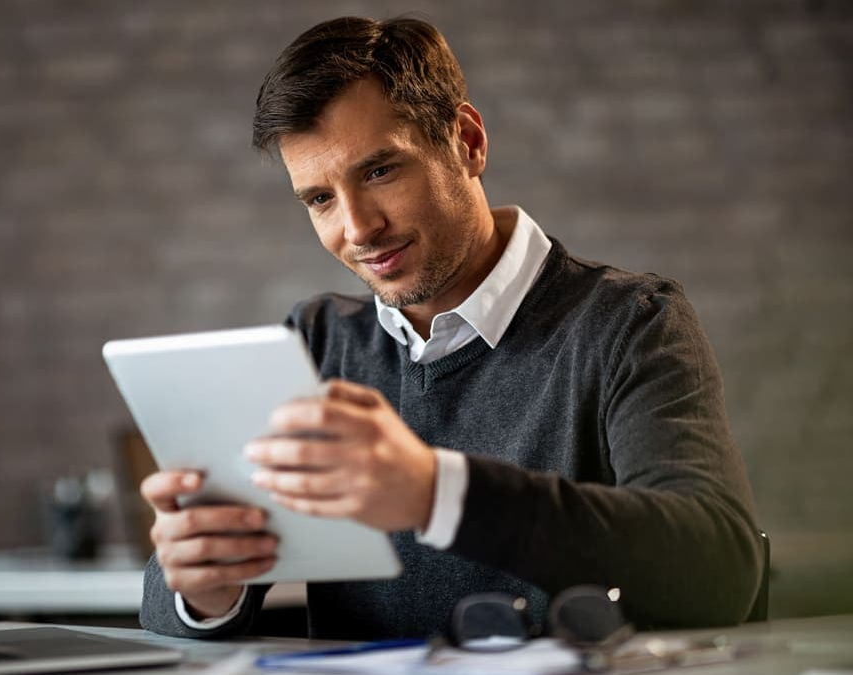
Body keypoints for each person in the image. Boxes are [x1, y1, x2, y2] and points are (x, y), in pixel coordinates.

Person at [138, 16, 763, 640]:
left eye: (380, 171)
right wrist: (204, 591)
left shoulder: (631, 323)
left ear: (466, 141)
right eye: (320, 199)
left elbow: (718, 570)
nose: (357, 229)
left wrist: (437, 493)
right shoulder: (315, 342)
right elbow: (166, 614)